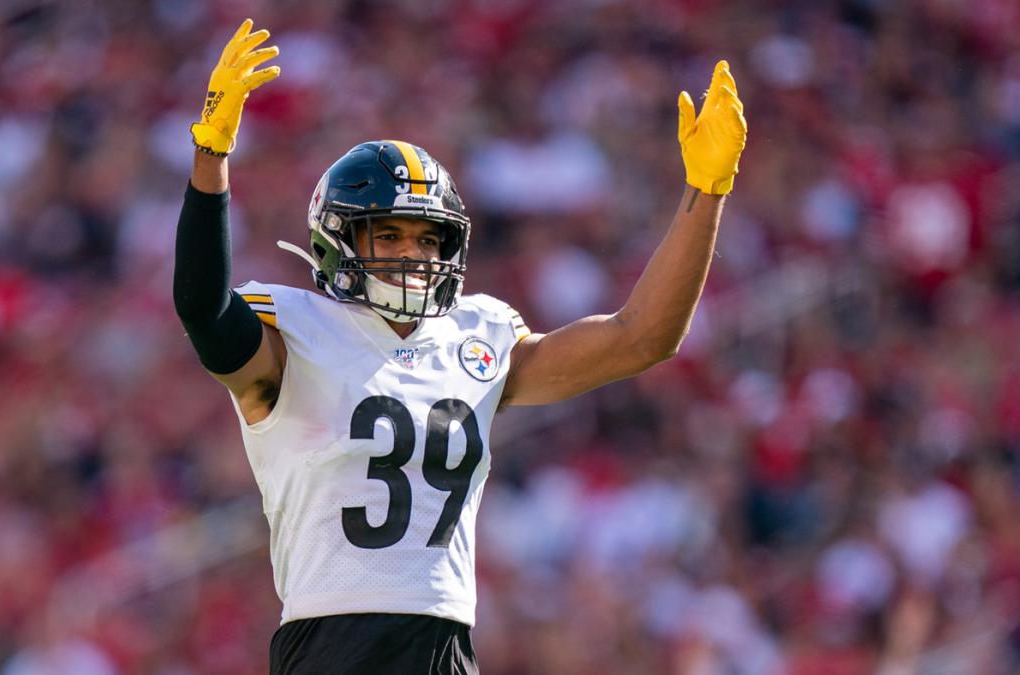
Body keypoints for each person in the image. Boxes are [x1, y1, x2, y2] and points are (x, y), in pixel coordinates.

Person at [172, 20, 747, 675]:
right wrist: (210, 158)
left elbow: (641, 338)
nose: (412, 255)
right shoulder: (294, 331)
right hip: (330, 646)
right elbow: (204, 308)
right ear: (338, 243)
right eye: (387, 236)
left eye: (426, 239)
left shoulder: (477, 335)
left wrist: (707, 192)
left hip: (446, 647)